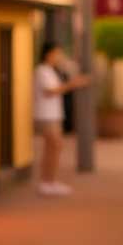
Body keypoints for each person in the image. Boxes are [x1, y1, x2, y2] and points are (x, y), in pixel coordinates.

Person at [33, 42, 90, 197]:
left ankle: (49, 181)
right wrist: (72, 85)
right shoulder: (42, 70)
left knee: (53, 148)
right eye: (57, 53)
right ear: (49, 54)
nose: (59, 57)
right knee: (55, 146)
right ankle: (46, 182)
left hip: (54, 115)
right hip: (46, 115)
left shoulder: (52, 70)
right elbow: (50, 91)